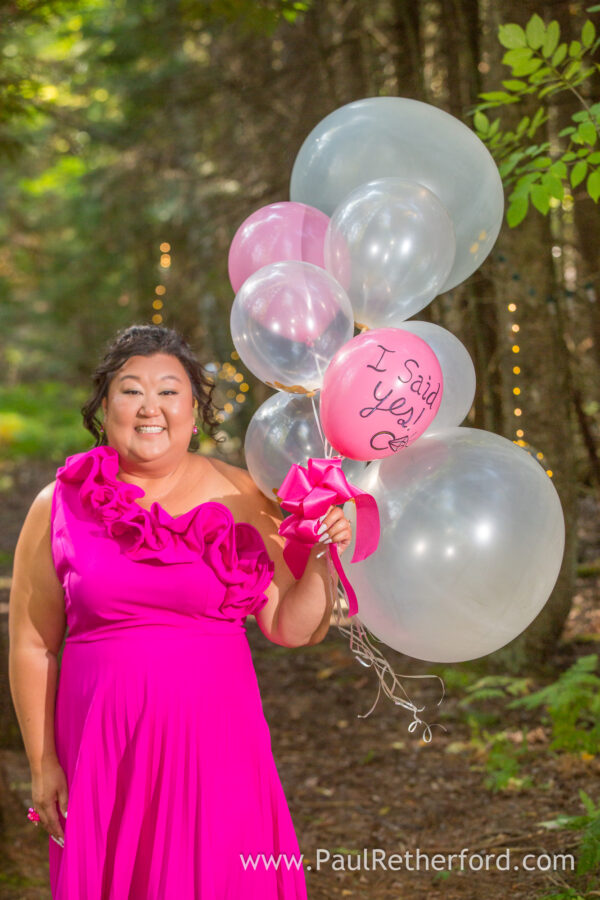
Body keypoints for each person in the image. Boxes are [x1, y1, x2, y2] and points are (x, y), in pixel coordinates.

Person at [8, 324, 352, 899]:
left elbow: (291, 627)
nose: (150, 406)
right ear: (104, 407)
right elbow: (31, 642)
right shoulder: (59, 503)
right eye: (130, 389)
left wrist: (321, 557)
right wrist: (43, 766)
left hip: (218, 751)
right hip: (104, 757)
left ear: (195, 410)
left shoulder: (242, 494)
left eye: (169, 391)